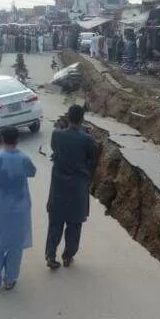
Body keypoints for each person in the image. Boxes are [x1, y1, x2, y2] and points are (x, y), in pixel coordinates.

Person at [0, 126, 36, 292]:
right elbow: (32, 172)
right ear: (17, 140)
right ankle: (10, 280)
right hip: (21, 210)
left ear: (2, 140)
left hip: (0, 210)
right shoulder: (24, 158)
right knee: (15, 246)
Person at [45, 105, 98, 270]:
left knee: (55, 223)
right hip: (77, 188)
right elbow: (93, 163)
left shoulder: (57, 135)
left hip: (59, 186)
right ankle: (68, 256)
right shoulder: (88, 140)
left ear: (68, 117)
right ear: (82, 119)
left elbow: (55, 150)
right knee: (74, 225)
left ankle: (50, 255)